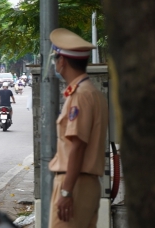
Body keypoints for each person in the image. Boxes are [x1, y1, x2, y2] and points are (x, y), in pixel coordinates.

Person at [48, 28, 108, 228]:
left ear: (62, 61)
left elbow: (78, 146)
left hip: (74, 183)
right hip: (86, 184)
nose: (55, 63)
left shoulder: (80, 95)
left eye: (55, 58)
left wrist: (66, 192)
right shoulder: (92, 92)